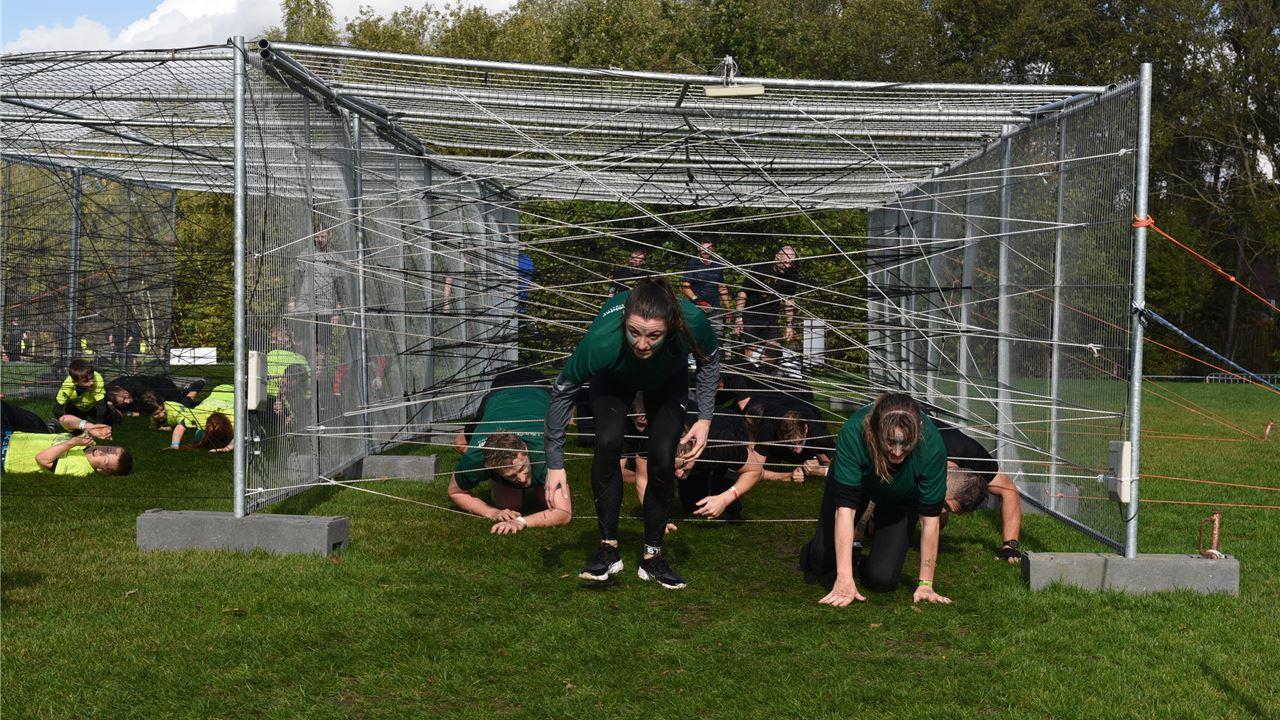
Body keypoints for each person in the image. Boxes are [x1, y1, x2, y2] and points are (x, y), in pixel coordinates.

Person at [545, 276, 720, 589]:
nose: (642, 344)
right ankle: (608, 548)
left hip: (667, 379)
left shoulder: (693, 321)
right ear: (624, 321)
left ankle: (652, 557)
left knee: (663, 456)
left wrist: (705, 419)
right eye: (634, 332)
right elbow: (562, 394)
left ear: (672, 326)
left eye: (654, 335)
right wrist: (555, 464)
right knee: (608, 442)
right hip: (613, 377)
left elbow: (710, 359)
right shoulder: (601, 341)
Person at [800, 393, 952, 606]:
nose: (897, 452)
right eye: (890, 442)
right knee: (822, 560)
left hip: (900, 497)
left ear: (917, 434)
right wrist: (844, 577)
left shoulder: (932, 446)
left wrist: (926, 583)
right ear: (875, 431)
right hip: (858, 485)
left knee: (882, 580)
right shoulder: (853, 432)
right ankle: (823, 552)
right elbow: (845, 510)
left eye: (906, 443)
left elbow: (930, 521)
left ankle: (858, 560)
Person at [446, 368, 572, 534]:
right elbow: (454, 492)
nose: (522, 479)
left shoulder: (546, 452)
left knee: (546, 498)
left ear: (524, 450)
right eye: (511, 476)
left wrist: (521, 522)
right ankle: (472, 434)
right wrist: (492, 512)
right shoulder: (476, 457)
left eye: (522, 468)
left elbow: (564, 513)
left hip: (537, 385)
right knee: (510, 505)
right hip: (498, 394)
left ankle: (470, 434)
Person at [931, 418, 1024, 562]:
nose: (943, 510)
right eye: (946, 505)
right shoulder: (920, 449)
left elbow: (1008, 490)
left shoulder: (970, 454)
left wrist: (1010, 546)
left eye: (947, 508)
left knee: (938, 518)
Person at [2, 400, 132, 476]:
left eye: (105, 459)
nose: (102, 452)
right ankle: (50, 427)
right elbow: (64, 419)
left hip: (4, 454)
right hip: (10, 435)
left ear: (101, 470)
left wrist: (72, 443)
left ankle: (50, 427)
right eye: (108, 449)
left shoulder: (81, 468)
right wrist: (89, 426)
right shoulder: (87, 442)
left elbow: (42, 459)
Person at [737, 245, 798, 367]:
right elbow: (743, 293)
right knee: (750, 349)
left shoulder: (791, 275)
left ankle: (765, 373)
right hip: (751, 316)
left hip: (771, 318)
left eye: (791, 263)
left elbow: (789, 300)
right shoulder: (760, 269)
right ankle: (747, 374)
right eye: (786, 262)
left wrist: (789, 325)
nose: (788, 266)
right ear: (777, 257)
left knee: (774, 349)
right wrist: (739, 317)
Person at [138, 384, 235, 451]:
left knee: (188, 401)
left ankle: (198, 385)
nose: (161, 415)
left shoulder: (233, 416)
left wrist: (228, 448)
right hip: (221, 391)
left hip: (225, 391)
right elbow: (181, 426)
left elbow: (181, 426)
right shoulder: (196, 416)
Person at [682, 241, 734, 335]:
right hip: (697, 308)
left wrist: (728, 309)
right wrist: (698, 301)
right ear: (698, 248)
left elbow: (722, 287)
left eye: (708, 249)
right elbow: (685, 287)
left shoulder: (717, 264)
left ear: (713, 249)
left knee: (717, 335)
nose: (705, 252)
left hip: (715, 308)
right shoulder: (692, 263)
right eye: (703, 249)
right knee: (697, 335)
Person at [52, 359, 114, 425]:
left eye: (92, 378)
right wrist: (66, 422)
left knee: (109, 421)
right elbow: (56, 409)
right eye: (86, 381)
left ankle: (112, 409)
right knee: (76, 428)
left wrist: (98, 425)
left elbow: (100, 404)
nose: (91, 383)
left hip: (92, 405)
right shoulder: (67, 386)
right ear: (75, 382)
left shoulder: (97, 378)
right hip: (75, 406)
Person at [105, 375, 204, 416]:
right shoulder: (110, 390)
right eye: (123, 403)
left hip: (164, 388)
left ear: (120, 388)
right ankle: (186, 392)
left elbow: (152, 406)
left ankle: (195, 387)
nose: (127, 401)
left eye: (125, 397)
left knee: (182, 408)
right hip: (154, 389)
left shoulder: (139, 388)